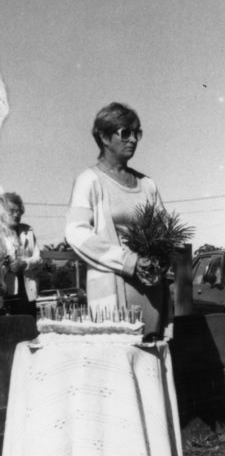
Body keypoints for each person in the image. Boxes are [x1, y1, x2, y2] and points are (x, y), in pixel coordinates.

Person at [65, 102, 170, 335]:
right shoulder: (89, 180)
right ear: (104, 137)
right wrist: (128, 261)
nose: (133, 139)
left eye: (137, 133)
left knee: (152, 350)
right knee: (116, 352)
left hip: (151, 289)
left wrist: (157, 260)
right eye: (125, 133)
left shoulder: (147, 184)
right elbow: (76, 232)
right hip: (111, 290)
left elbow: (165, 231)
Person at [2, 193, 41, 310]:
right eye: (12, 211)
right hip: (4, 290)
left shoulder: (28, 230)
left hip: (27, 291)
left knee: (28, 320)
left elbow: (38, 259)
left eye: (19, 211)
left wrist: (25, 264)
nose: (16, 214)